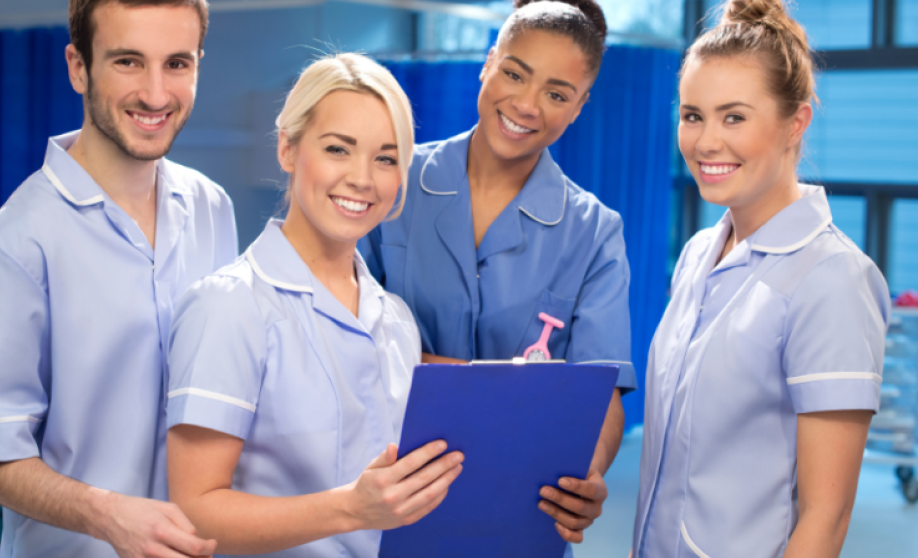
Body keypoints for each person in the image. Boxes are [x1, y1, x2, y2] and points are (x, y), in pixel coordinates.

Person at [0, 1, 237, 557]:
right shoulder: (9, 246)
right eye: (128, 62)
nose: (156, 94)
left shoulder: (212, 208)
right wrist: (108, 516)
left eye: (177, 64)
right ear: (78, 67)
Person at [358, 0, 634, 550]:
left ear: (579, 107)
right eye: (514, 74)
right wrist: (496, 386)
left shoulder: (594, 231)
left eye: (557, 94)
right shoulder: (393, 181)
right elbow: (330, 332)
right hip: (380, 488)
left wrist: (590, 474)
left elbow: (600, 391)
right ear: (488, 63)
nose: (526, 105)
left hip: (521, 508)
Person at [165, 53, 464, 558]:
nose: (363, 179)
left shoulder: (396, 320)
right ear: (287, 147)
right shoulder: (230, 306)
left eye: (386, 158)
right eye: (338, 149)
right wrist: (350, 508)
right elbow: (195, 510)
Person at [632, 1, 889, 556]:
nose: (704, 142)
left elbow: (827, 516)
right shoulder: (699, 253)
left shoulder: (832, 279)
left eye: (734, 117)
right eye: (692, 115)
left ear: (796, 122)